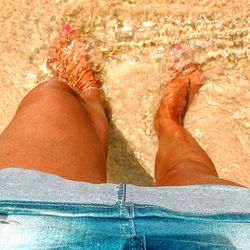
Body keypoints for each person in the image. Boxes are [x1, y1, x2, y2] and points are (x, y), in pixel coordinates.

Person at [0, 27, 249, 249]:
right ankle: (169, 122)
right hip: (218, 233)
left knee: (52, 96)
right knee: (189, 174)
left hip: (29, 227)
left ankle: (90, 101)